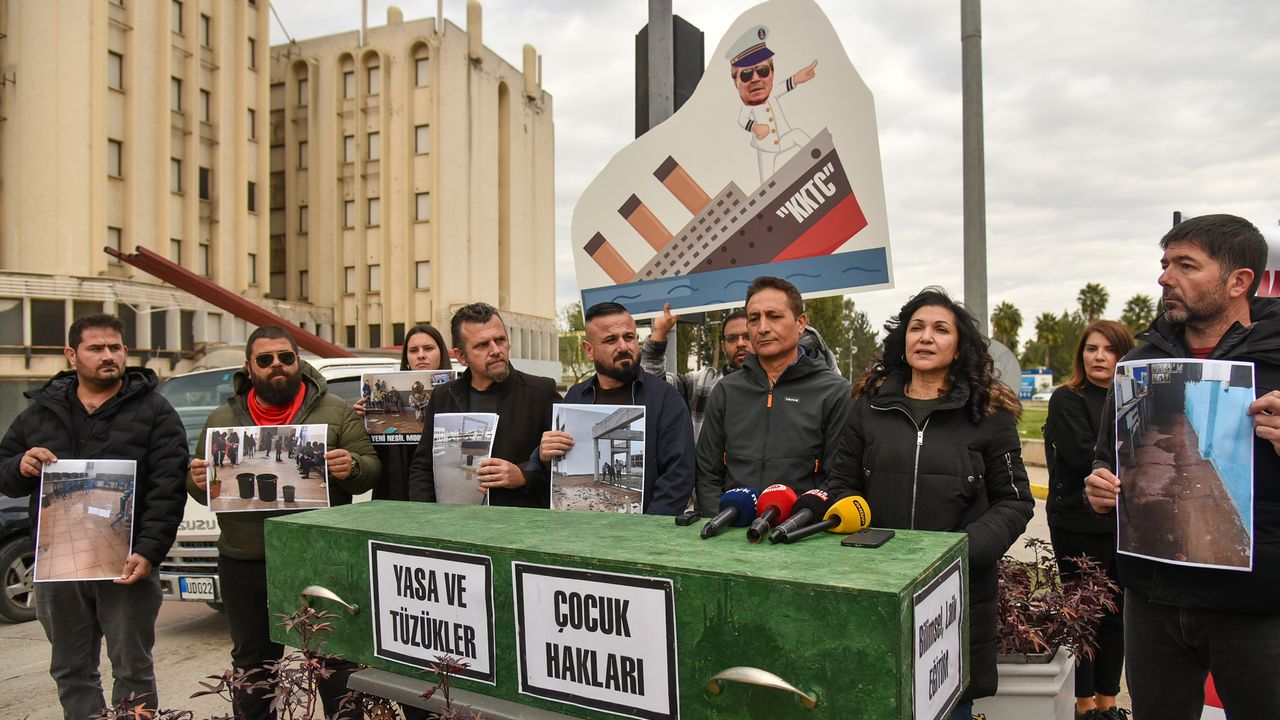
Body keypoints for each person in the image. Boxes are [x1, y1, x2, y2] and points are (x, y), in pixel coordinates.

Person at [1085, 214, 1280, 719]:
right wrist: (1100, 485)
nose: (1165, 277)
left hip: (1258, 609)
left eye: (1185, 265)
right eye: (1165, 263)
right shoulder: (1140, 362)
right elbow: (1107, 456)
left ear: (1239, 281)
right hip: (1154, 601)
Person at [826, 287, 1034, 719]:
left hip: (956, 595)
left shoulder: (989, 414)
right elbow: (841, 484)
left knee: (948, 706)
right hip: (876, 585)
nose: (925, 337)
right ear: (902, 339)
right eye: (916, 327)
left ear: (959, 346)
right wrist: (866, 539)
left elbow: (1014, 502)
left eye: (940, 329)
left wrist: (957, 552)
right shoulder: (869, 406)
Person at [186, 325, 381, 720]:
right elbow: (202, 487)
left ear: (298, 361)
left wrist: (353, 466)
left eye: (285, 357)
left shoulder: (335, 411)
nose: (277, 365)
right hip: (246, 560)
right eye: (265, 359)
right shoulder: (223, 418)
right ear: (249, 367)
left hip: (320, 557)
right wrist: (196, 479)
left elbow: (370, 470)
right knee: (253, 667)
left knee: (335, 662)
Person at [0, 313, 188, 718]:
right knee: (71, 670)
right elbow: (4, 472)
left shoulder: (155, 411)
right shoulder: (40, 412)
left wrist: (149, 551)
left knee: (134, 671)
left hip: (126, 564)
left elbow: (168, 489)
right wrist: (20, 465)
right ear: (71, 354)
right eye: (96, 348)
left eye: (115, 347)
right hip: (58, 565)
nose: (108, 356)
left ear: (125, 351)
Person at [695, 276, 851, 514]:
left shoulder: (835, 392)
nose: (763, 328)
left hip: (801, 532)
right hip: (730, 530)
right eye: (754, 319)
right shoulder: (726, 391)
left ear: (801, 323)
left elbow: (838, 478)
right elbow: (707, 473)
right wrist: (719, 521)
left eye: (774, 316)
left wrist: (803, 523)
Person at [1044, 320, 1134, 720]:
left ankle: (1108, 701)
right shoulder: (1067, 398)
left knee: (1117, 614)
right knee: (1083, 616)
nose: (1099, 357)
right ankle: (1083, 703)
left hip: (1123, 524)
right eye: (1091, 348)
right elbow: (1086, 456)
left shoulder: (1133, 400)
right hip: (1077, 523)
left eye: (1110, 350)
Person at [533, 302, 695, 515]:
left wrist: (647, 528)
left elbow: (679, 477)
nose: (623, 347)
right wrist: (543, 456)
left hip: (644, 532)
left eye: (629, 337)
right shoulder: (575, 397)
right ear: (589, 350)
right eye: (611, 340)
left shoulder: (665, 399)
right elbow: (552, 476)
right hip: (579, 530)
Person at [408, 304, 559, 506]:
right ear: (461, 356)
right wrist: (426, 516)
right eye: (482, 345)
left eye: (500, 340)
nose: (495, 350)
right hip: (456, 519)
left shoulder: (541, 393)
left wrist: (524, 475)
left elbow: (564, 468)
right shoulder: (443, 397)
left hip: (521, 521)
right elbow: (423, 467)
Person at [356, 324, 450, 502]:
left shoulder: (460, 393)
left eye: (428, 348)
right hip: (397, 493)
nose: (421, 355)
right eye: (413, 350)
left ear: (441, 353)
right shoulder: (404, 398)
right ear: (406, 358)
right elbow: (373, 461)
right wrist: (362, 426)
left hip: (443, 492)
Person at [725, 24, 818, 181]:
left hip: (782, 138)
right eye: (746, 74)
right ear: (736, 82)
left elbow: (787, 84)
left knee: (796, 134)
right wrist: (755, 127)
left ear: (772, 74)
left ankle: (818, 151)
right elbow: (742, 120)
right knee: (766, 176)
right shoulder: (747, 107)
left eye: (763, 71)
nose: (755, 79)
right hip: (765, 146)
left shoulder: (772, 93)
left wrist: (798, 77)